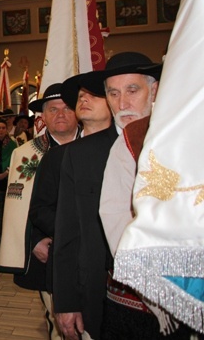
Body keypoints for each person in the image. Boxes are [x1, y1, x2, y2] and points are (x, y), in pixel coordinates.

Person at [53, 52, 161, 340]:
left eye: (132, 90)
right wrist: (65, 302)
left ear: (155, 91)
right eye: (113, 93)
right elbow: (68, 232)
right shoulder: (80, 154)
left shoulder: (180, 144)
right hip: (105, 300)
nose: (122, 103)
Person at [27, 73, 111, 340]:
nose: (84, 100)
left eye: (93, 95)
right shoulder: (59, 156)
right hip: (70, 262)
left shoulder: (131, 148)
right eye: (80, 97)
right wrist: (73, 231)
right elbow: (40, 208)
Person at [0, 83, 80, 281]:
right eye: (53, 109)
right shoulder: (24, 154)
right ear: (42, 117)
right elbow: (17, 206)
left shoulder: (95, 149)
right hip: (44, 246)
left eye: (67, 108)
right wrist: (34, 241)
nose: (60, 114)